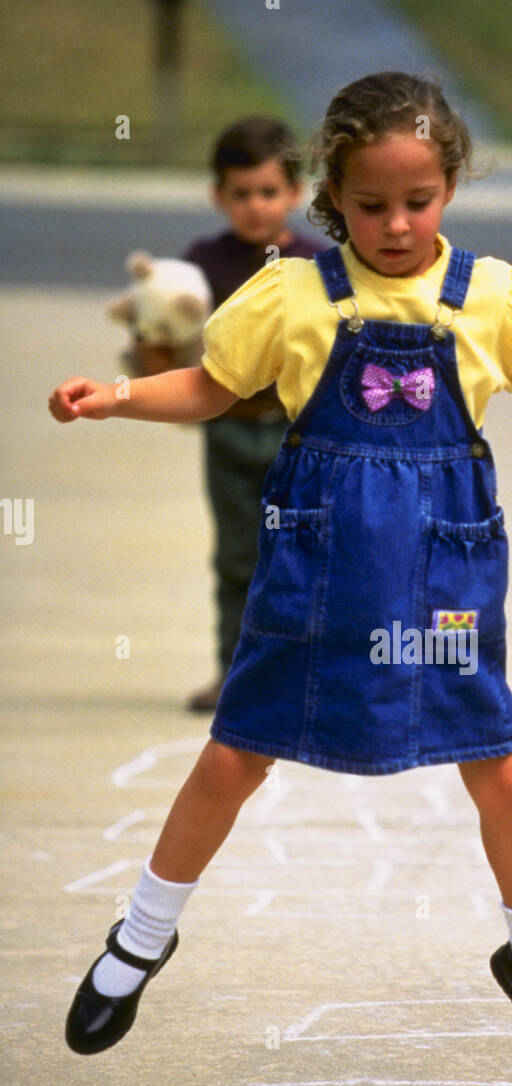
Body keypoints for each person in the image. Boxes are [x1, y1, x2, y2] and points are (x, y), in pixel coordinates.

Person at [48, 71, 512, 1086]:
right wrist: (120, 394)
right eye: (370, 204)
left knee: (501, 768)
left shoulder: (491, 295)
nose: (396, 224)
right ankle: (139, 941)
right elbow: (216, 383)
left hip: (443, 575)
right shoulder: (293, 293)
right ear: (332, 195)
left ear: (449, 184)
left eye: (418, 200)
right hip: (317, 573)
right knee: (233, 757)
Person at [133, 115, 325, 711]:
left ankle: (308, 677)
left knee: (308, 560)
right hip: (230, 436)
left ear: (296, 191)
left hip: (302, 439)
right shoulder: (196, 266)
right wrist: (151, 345)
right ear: (219, 196)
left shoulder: (320, 267)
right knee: (238, 559)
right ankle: (234, 677)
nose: (255, 206)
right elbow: (167, 349)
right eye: (240, 194)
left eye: (269, 192)